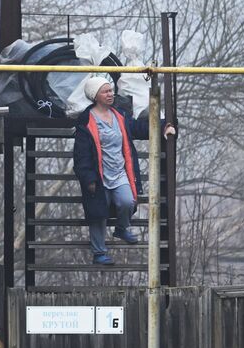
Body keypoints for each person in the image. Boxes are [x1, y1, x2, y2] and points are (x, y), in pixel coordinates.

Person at [72, 76, 175, 265]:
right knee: (98, 214)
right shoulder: (85, 121)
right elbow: (81, 155)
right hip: (98, 176)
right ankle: (99, 253)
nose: (111, 94)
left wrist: (163, 127)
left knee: (127, 201)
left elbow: (138, 128)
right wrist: (89, 179)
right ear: (95, 96)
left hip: (119, 173)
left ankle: (121, 228)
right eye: (106, 91)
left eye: (111, 90)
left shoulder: (119, 116)